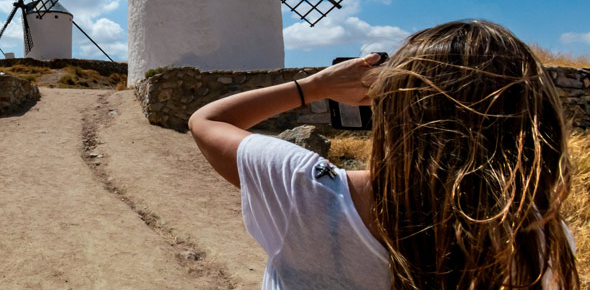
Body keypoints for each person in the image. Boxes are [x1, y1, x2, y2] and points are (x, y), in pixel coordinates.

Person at [188, 20, 579, 289]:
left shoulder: (306, 193)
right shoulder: (542, 240)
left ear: (392, 107)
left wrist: (314, 86)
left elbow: (207, 120)